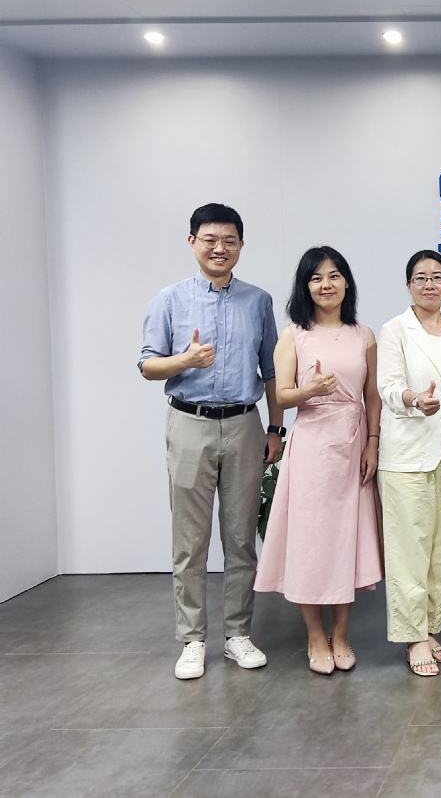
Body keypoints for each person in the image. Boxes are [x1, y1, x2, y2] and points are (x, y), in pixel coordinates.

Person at [138, 203, 283, 680]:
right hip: (189, 423)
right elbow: (147, 365)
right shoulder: (170, 299)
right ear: (192, 243)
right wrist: (186, 360)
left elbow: (272, 371)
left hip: (244, 424)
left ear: (241, 245)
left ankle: (238, 634)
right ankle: (193, 639)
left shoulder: (258, 301)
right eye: (210, 240)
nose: (220, 248)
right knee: (190, 540)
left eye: (229, 241)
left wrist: (275, 428)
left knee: (240, 538)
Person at [254, 247, 382, 674]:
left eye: (333, 276)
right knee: (311, 542)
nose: (326, 285)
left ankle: (341, 635)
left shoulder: (364, 335)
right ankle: (314, 635)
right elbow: (282, 395)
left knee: (347, 538)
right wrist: (310, 390)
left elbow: (373, 396)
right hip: (311, 446)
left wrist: (373, 443)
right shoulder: (294, 335)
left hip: (353, 443)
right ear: (305, 287)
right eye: (316, 278)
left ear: (346, 282)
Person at [377, 250, 441, 677]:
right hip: (407, 456)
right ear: (408, 286)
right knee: (409, 550)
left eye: (437, 277)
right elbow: (387, 387)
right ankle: (412, 635)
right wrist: (415, 399)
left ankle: (430, 627)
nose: (429, 284)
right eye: (420, 278)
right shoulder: (395, 330)